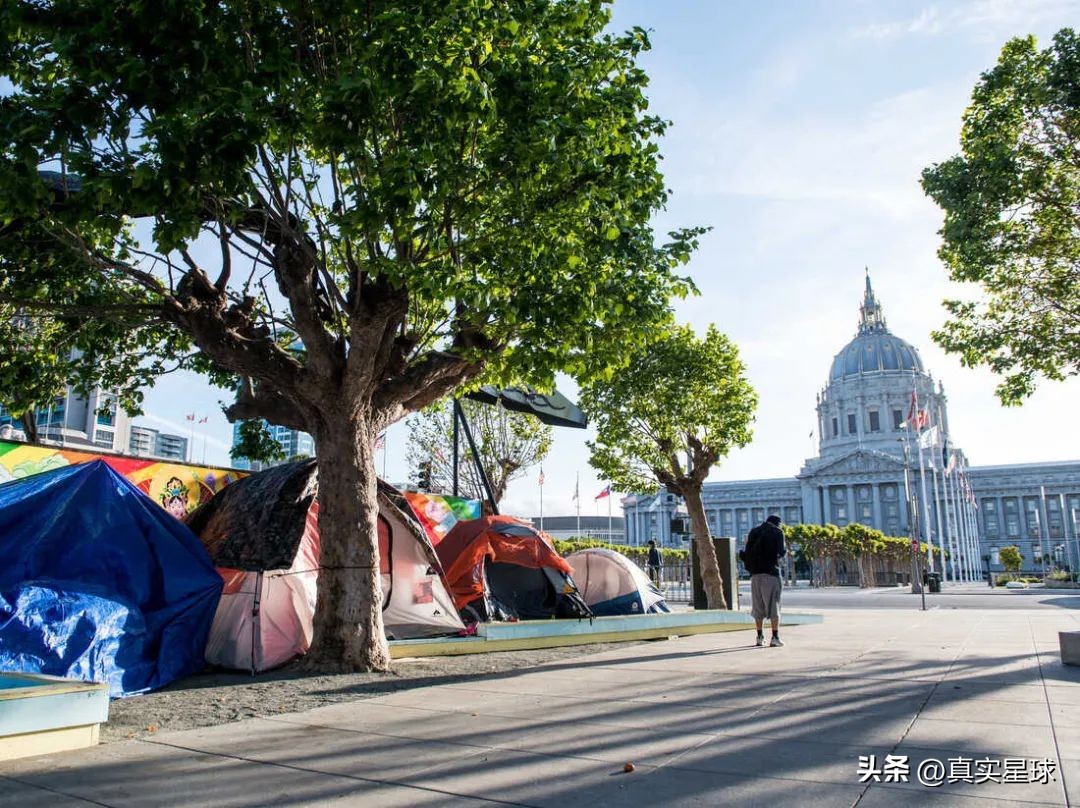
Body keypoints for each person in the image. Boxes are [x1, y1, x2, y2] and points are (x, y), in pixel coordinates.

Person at [744, 514, 786, 647]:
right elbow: (781, 552)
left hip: (755, 574)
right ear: (777, 524)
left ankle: (759, 636)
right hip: (771, 573)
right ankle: (775, 637)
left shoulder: (754, 531)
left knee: (758, 607)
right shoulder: (778, 532)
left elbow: (747, 551)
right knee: (774, 605)